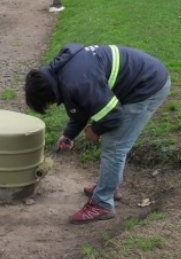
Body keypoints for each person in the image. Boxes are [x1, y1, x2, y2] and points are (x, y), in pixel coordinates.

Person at [24, 44, 170, 224]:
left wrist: (95, 130)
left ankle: (102, 204)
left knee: (115, 146)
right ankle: (108, 187)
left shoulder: (78, 82)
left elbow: (113, 116)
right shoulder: (61, 72)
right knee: (113, 143)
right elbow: (83, 105)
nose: (54, 103)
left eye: (51, 101)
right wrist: (68, 135)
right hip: (137, 78)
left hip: (146, 86)